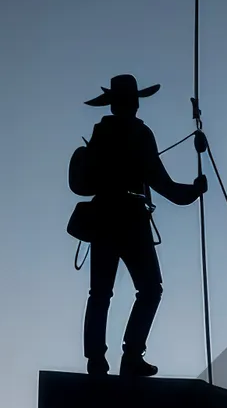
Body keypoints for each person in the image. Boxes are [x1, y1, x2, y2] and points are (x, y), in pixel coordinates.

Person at [80, 74, 207, 376]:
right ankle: (131, 355)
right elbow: (162, 182)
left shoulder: (102, 132)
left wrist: (190, 191)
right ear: (132, 102)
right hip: (131, 219)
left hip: (103, 218)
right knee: (149, 289)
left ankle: (97, 359)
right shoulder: (139, 133)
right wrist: (194, 190)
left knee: (100, 292)